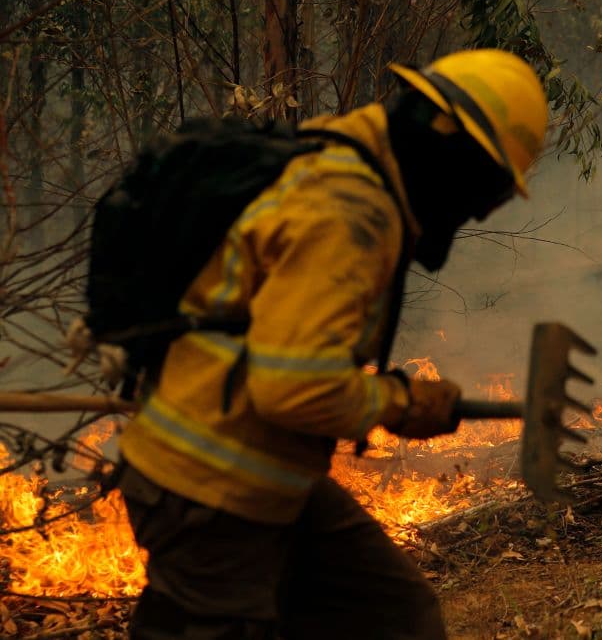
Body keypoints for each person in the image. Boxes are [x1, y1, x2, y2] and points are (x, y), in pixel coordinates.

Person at [114, 49, 548, 639]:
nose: (474, 212)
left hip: (261, 475)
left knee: (397, 616)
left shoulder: (341, 153)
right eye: (488, 189)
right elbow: (293, 388)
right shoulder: (350, 211)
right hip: (210, 489)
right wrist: (399, 403)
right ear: (455, 152)